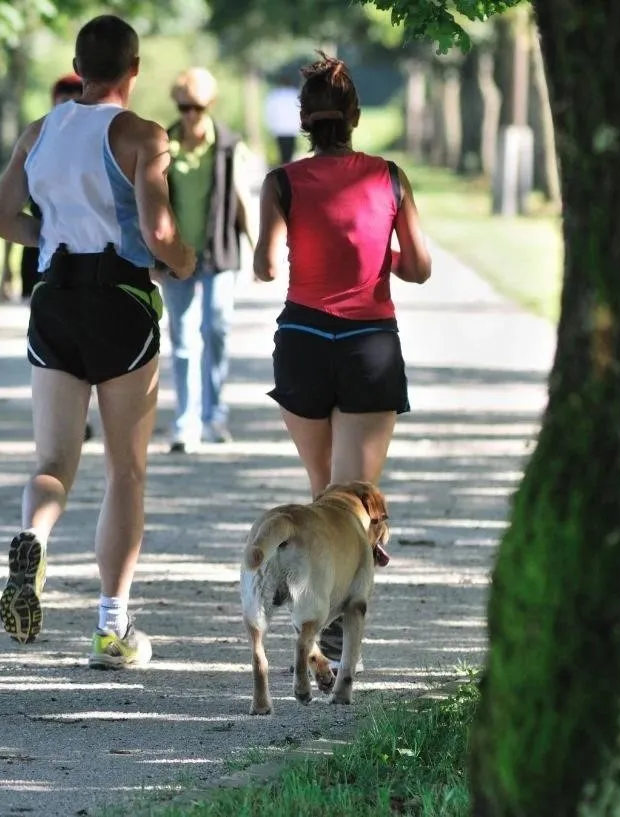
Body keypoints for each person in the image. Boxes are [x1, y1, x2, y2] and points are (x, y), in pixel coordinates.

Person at [0, 14, 196, 668]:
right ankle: (112, 625)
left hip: (55, 302)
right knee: (126, 471)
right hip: (122, 303)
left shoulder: (40, 132)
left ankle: (34, 536)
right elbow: (159, 234)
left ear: (79, 68)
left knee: (52, 461)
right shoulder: (142, 135)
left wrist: (49, 243)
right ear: (134, 71)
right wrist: (185, 262)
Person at [253, 53, 432, 665]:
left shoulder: (281, 182)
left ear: (303, 119)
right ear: (355, 115)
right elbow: (420, 267)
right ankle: (334, 621)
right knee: (354, 498)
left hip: (302, 338)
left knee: (323, 491)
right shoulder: (390, 177)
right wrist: (381, 259)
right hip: (369, 343)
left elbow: (265, 265)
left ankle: (315, 604)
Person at [158, 67, 260, 452]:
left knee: (215, 332)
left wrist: (256, 251)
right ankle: (186, 422)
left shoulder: (230, 146)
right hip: (176, 256)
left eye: (197, 107)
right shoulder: (163, 145)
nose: (190, 114)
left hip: (219, 253)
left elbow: (243, 202)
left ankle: (214, 414)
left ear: (210, 105)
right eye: (184, 106)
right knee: (182, 339)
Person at [0, 73, 85, 304]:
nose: (68, 108)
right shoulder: (35, 146)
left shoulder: (98, 150)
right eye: (63, 101)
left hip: (88, 259)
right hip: (38, 254)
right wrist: (6, 268)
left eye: (75, 101)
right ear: (53, 102)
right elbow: (7, 212)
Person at [264, 72, 303, 165]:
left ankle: (283, 170)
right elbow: (300, 112)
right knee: (289, 154)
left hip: (279, 129)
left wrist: (271, 126)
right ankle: (287, 170)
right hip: (291, 129)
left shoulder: (274, 95)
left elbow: (269, 112)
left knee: (282, 154)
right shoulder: (295, 94)